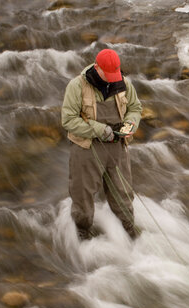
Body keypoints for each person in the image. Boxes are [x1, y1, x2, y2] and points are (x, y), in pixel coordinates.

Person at [61, 49, 142, 240]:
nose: (113, 79)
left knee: (123, 193)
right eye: (109, 75)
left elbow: (135, 108)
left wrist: (130, 124)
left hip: (117, 148)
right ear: (97, 68)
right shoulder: (76, 86)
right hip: (86, 148)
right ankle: (82, 233)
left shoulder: (123, 83)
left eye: (115, 74)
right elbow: (68, 120)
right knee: (83, 195)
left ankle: (128, 231)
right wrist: (100, 130)